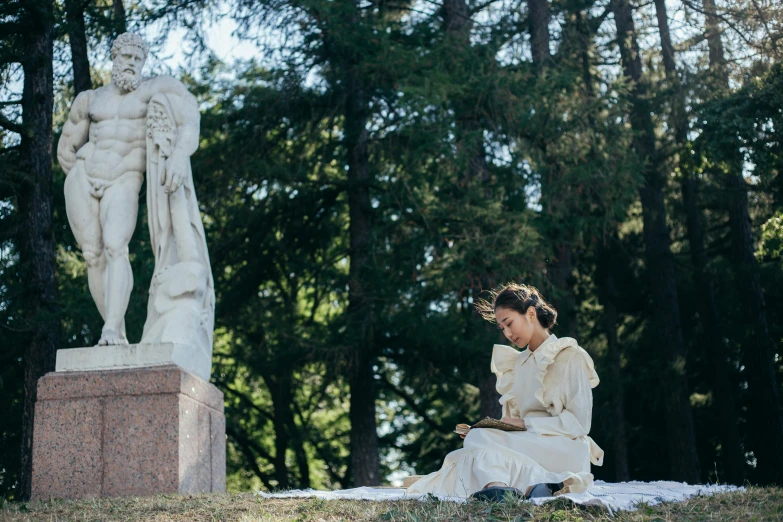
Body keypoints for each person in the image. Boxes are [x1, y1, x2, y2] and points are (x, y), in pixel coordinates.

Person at [57, 32, 201, 346]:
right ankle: (115, 332)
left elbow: (190, 116)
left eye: (138, 58)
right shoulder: (91, 99)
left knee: (115, 247)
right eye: (126, 56)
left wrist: (178, 155)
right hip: (85, 175)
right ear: (114, 57)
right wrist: (78, 175)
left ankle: (110, 329)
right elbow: (66, 147)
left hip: (124, 178)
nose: (132, 62)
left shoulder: (154, 89)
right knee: (93, 256)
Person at [407, 283, 604, 500]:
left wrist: (523, 424)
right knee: (476, 438)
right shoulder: (517, 364)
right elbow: (513, 426)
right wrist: (494, 428)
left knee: (479, 441)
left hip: (564, 448)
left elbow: (579, 423)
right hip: (530, 446)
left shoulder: (569, 355)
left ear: (530, 314)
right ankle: (525, 486)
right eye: (502, 328)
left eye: (509, 323)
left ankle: (502, 486)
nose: (508, 334)